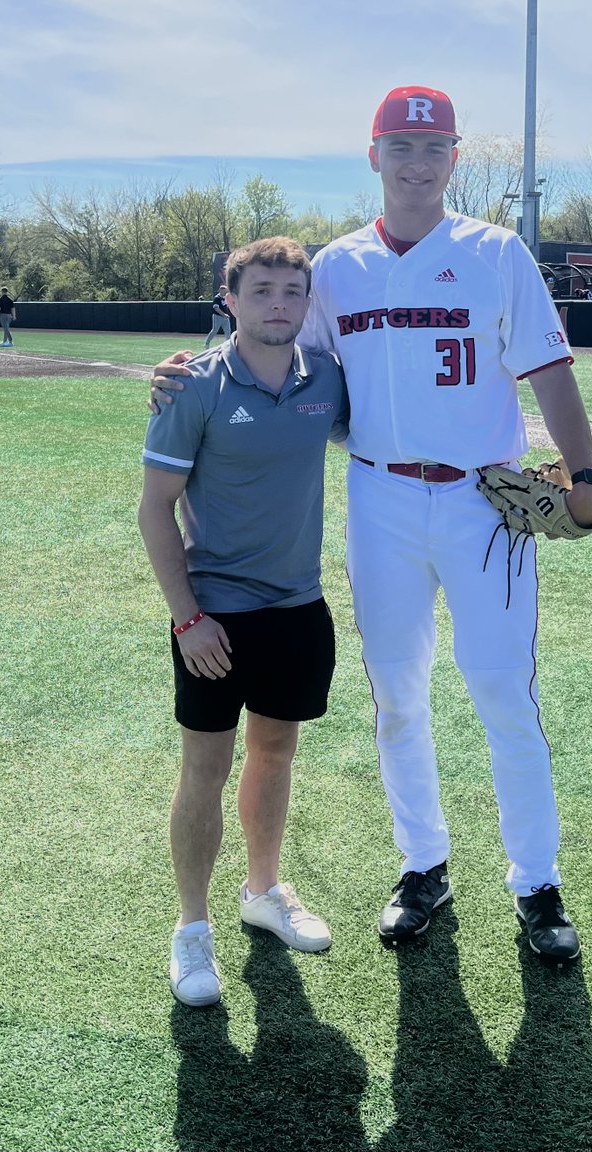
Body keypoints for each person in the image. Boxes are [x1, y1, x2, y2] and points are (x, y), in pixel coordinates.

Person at [151, 86, 592, 965]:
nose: (415, 161)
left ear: (453, 160)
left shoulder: (496, 250)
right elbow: (277, 351)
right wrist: (183, 373)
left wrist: (583, 476)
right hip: (381, 499)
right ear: (374, 156)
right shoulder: (340, 265)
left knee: (503, 690)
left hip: (485, 501)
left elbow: (551, 373)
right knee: (397, 697)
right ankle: (422, 864)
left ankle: (535, 880)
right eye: (399, 145)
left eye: (431, 148)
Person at [138, 237, 348, 1007]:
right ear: (229, 298)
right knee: (205, 769)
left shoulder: (326, 376)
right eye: (261, 290)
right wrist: (187, 618)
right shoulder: (191, 387)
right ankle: (191, 930)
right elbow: (153, 510)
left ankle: (262, 892)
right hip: (214, 617)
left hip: (297, 608)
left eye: (293, 291)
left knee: (277, 753)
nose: (279, 305)